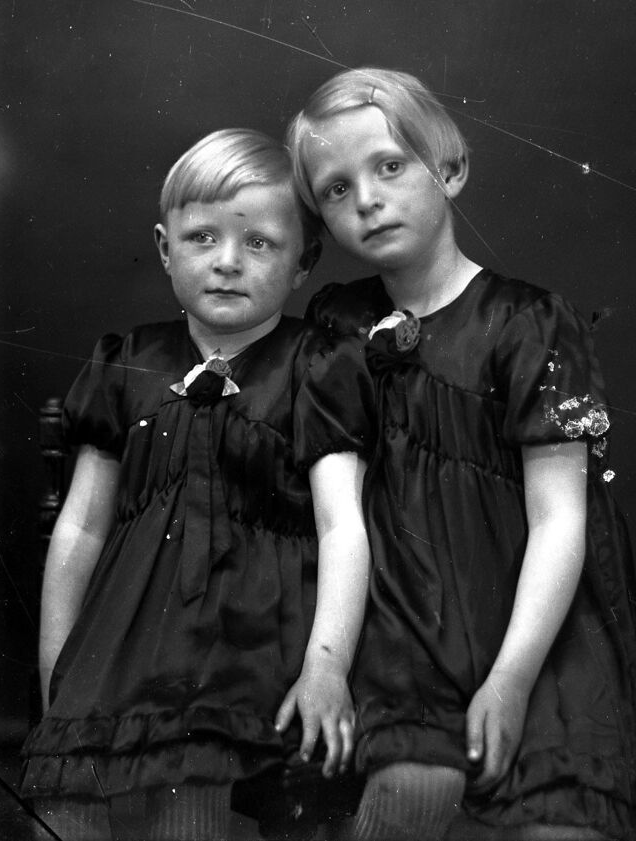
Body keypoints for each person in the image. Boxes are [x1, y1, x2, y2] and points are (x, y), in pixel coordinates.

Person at [286, 67, 636, 841]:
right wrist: (328, 661)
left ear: (449, 170)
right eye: (336, 189)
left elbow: (559, 520)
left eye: (389, 166)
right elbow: (340, 516)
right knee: (406, 799)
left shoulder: (527, 321)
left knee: (559, 816)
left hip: (537, 630)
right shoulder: (339, 327)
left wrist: (512, 677)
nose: (367, 199)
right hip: (411, 629)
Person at [20, 128, 374, 841]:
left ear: (304, 263)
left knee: (193, 806)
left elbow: (342, 526)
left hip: (251, 646)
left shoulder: (317, 366)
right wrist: (59, 671)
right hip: (123, 643)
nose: (227, 262)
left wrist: (327, 668)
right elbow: (82, 527)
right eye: (202, 238)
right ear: (164, 248)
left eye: (260, 243)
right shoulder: (128, 360)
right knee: (66, 808)